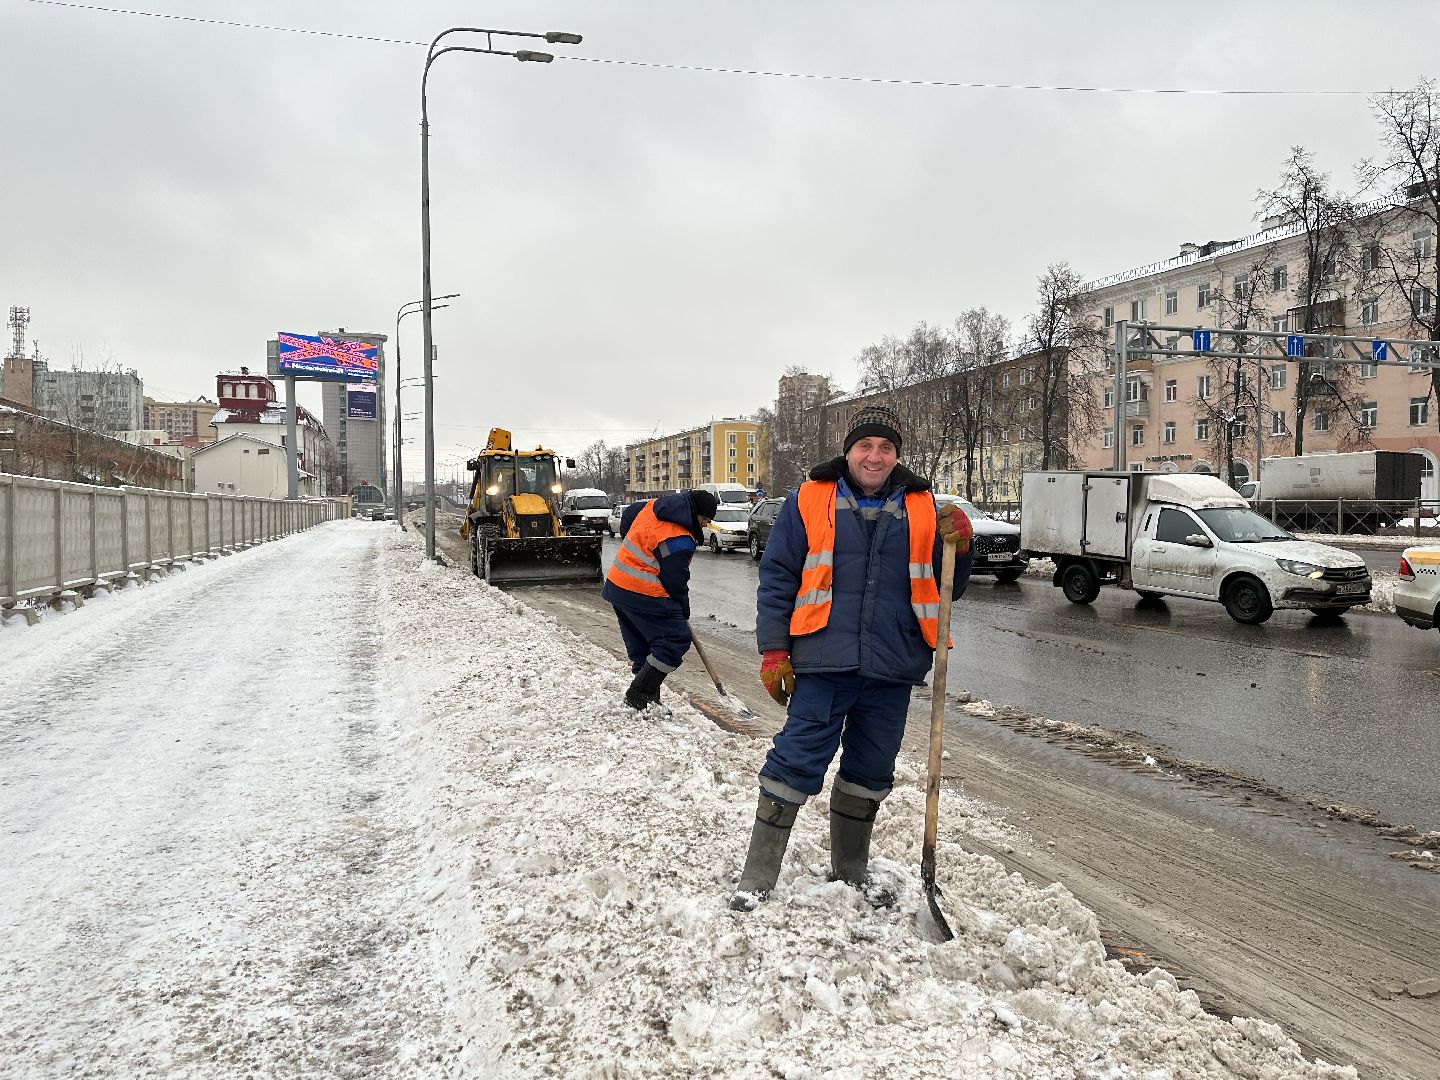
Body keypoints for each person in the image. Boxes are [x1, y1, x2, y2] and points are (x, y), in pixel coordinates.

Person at [731, 404, 973, 910]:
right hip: (823, 658)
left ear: (897, 455)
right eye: (866, 445)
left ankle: (851, 871)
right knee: (794, 760)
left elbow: (949, 589)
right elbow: (778, 577)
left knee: (871, 768)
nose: (875, 456)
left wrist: (962, 547)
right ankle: (757, 878)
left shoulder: (924, 506)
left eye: (886, 447)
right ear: (849, 452)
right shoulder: (809, 499)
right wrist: (774, 650)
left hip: (892, 664)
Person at [602, 488, 719, 710]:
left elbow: (628, 516)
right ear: (695, 513)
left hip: (618, 584)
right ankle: (639, 696)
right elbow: (675, 581)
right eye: (705, 519)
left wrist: (637, 547)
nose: (705, 524)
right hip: (641, 590)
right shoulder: (679, 538)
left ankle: (647, 703)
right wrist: (682, 609)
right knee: (675, 639)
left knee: (644, 646)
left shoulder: (655, 507)